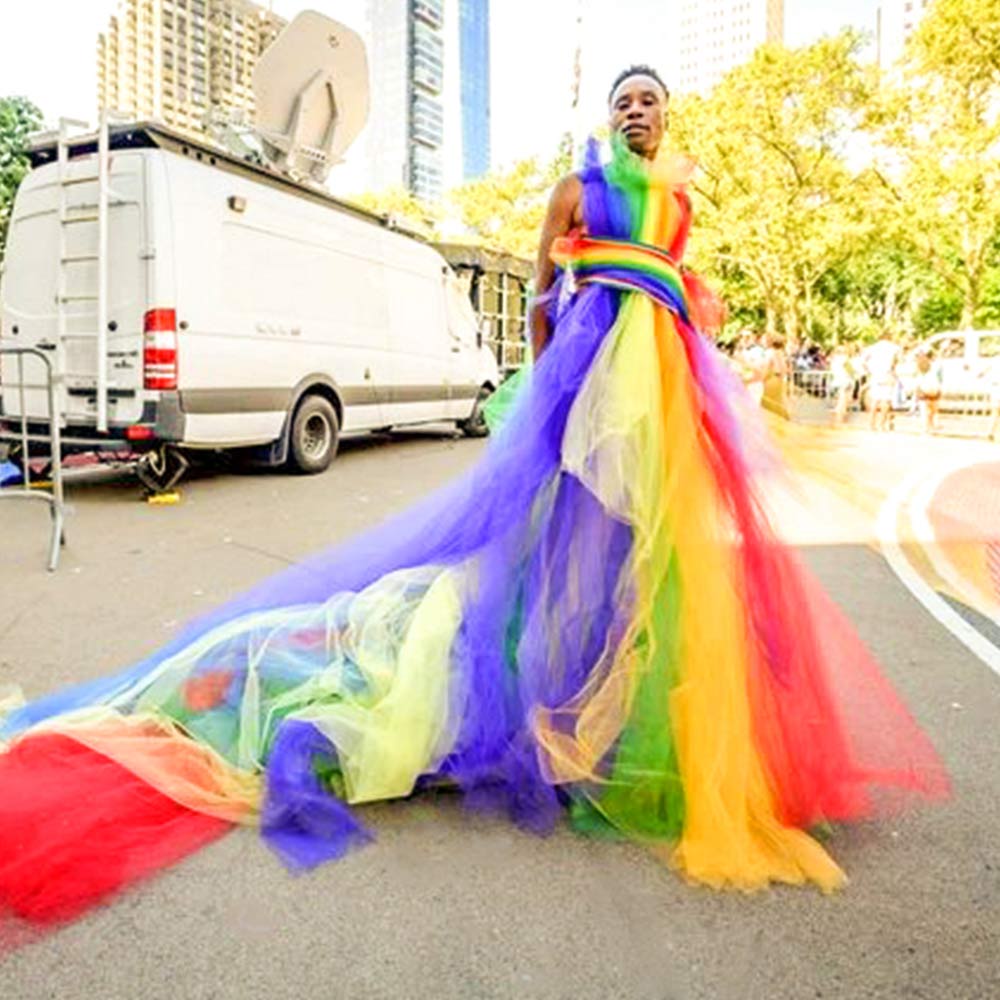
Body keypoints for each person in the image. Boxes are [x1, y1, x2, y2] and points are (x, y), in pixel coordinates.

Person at [0, 65, 948, 925]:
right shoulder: (579, 189)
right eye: (621, 101)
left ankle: (612, 719)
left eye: (648, 100)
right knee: (566, 552)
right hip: (591, 398)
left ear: (668, 116)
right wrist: (545, 394)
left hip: (666, 405)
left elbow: (677, 296)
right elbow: (541, 288)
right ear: (608, 119)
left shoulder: (682, 202)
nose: (634, 111)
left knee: (648, 564)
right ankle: (550, 709)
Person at [863, 333, 900, 432]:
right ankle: (882, 425)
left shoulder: (872, 348)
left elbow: (863, 361)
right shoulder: (894, 348)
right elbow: (896, 361)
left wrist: (869, 370)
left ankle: (871, 424)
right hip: (887, 374)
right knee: (886, 401)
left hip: (875, 375)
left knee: (875, 400)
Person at [829, 343, 858, 427]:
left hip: (838, 380)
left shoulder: (834, 360)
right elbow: (851, 371)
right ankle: (841, 419)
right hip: (846, 380)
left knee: (841, 399)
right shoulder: (844, 359)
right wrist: (855, 375)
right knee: (844, 400)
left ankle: (839, 418)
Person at [914, 349, 943, 435]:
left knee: (924, 410)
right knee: (933, 410)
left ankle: (924, 429)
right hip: (934, 388)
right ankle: (931, 427)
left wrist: (917, 389)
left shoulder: (918, 365)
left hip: (923, 388)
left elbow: (917, 379)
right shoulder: (937, 365)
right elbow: (940, 378)